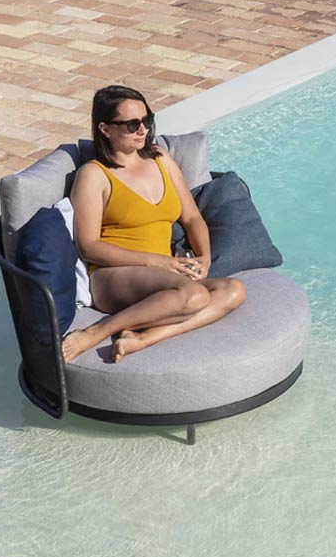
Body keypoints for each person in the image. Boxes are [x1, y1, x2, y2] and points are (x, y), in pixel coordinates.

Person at [62, 85, 246, 364]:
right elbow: (89, 247)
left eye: (146, 120)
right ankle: (96, 332)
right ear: (105, 128)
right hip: (113, 276)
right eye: (132, 123)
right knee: (194, 296)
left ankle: (143, 338)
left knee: (234, 290)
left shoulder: (160, 158)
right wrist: (159, 262)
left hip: (165, 274)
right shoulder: (94, 175)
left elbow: (193, 217)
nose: (143, 130)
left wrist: (204, 258)